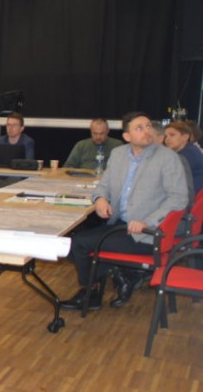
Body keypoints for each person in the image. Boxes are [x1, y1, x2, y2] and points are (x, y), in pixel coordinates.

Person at [61, 112, 190, 312]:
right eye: (139, 128)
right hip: (119, 223)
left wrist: (148, 222)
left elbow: (179, 198)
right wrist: (100, 198)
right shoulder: (118, 154)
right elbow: (103, 185)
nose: (147, 131)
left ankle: (91, 292)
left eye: (148, 126)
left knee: (79, 243)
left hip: (147, 234)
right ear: (127, 136)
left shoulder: (167, 158)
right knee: (71, 241)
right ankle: (116, 274)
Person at [164, 120, 203, 196]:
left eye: (172, 135)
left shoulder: (188, 154)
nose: (167, 139)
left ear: (185, 137)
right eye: (166, 136)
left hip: (191, 198)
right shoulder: (187, 150)